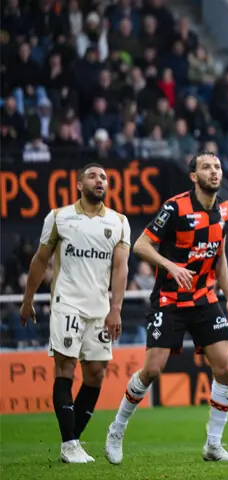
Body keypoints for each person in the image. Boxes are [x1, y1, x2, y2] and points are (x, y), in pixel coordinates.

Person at [104, 152, 228, 464]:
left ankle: (213, 444)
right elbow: (140, 245)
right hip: (170, 298)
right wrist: (171, 266)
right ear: (193, 176)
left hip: (205, 298)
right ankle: (117, 428)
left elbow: (219, 257)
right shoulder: (175, 207)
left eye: (217, 166)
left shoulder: (224, 210)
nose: (214, 172)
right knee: (152, 370)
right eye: (206, 167)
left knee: (226, 369)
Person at [19, 163, 131, 464]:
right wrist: (28, 299)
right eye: (93, 176)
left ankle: (73, 441)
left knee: (96, 374)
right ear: (79, 184)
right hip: (67, 302)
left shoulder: (119, 221)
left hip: (100, 309)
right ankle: (69, 443)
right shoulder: (59, 217)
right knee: (66, 367)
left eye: (105, 177)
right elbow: (40, 260)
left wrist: (116, 309)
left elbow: (121, 269)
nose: (100, 180)